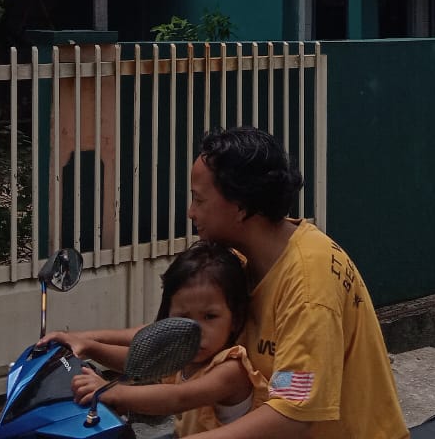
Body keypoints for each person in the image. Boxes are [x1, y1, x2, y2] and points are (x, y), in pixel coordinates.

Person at [188, 126, 409, 439]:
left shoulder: (308, 284)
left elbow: (292, 413)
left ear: (240, 207)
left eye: (199, 200)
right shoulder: (244, 259)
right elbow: (179, 332)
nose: (191, 212)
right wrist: (107, 353)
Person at [39, 240, 268, 435]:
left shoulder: (232, 369)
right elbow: (138, 360)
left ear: (235, 319)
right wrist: (90, 347)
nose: (195, 330)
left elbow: (179, 397)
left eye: (210, 317)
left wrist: (113, 392)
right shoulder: (184, 356)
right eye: (183, 317)